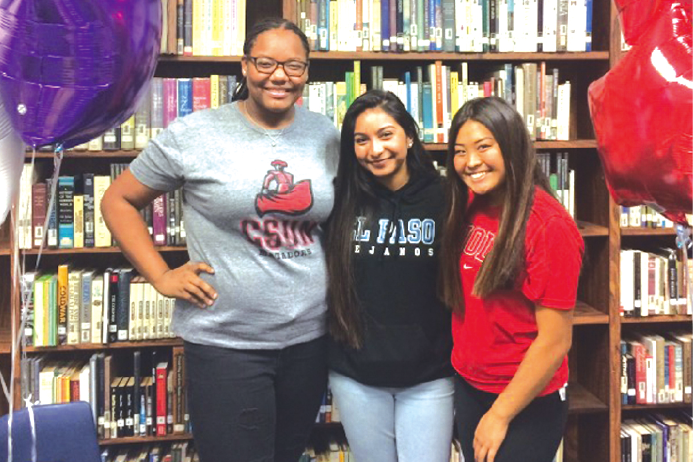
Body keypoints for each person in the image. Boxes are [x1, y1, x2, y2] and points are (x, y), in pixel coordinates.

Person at [101, 18, 339, 462]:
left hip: (310, 339)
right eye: (266, 63)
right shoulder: (195, 134)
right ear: (245, 66)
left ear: (307, 73)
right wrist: (161, 275)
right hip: (228, 344)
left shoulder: (324, 132)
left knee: (286, 454)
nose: (280, 76)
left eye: (294, 66)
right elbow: (118, 201)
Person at [439, 96, 584, 462]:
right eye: (460, 151)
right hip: (471, 386)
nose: (471, 162)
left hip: (523, 401)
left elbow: (555, 341)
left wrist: (501, 414)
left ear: (512, 146)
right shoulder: (472, 203)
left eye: (484, 147)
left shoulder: (548, 226)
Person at [326, 90, 454, 462]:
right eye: (361, 140)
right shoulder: (340, 198)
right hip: (356, 374)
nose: (375, 149)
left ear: (409, 136)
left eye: (386, 135)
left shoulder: (446, 197)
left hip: (429, 374)